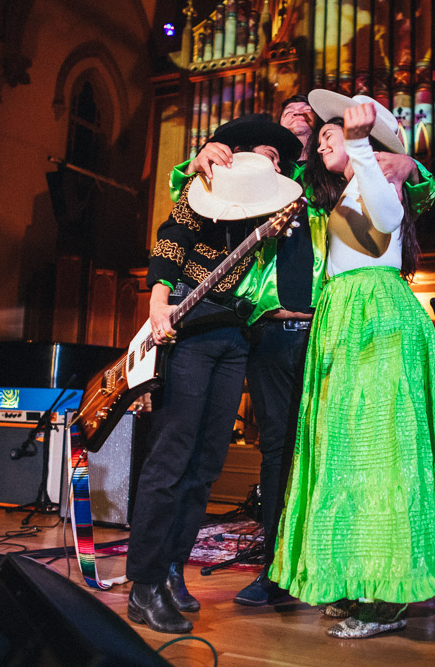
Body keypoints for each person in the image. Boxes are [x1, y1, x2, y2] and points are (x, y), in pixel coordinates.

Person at [168, 97, 435, 608]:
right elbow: (196, 189)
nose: (304, 127)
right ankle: (278, 571)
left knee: (337, 454)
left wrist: (411, 162)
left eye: (313, 125)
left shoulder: (353, 180)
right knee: (279, 455)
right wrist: (200, 154)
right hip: (274, 332)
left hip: (335, 330)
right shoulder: (277, 182)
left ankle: (348, 569)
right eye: (293, 120)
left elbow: (411, 194)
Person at [268, 91, 435, 639]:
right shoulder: (337, 192)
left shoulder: (379, 177)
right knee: (346, 454)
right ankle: (360, 579)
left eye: (332, 133)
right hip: (340, 317)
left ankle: (387, 596)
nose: (324, 137)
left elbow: (391, 214)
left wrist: (366, 144)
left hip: (374, 314)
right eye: (322, 134)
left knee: (382, 452)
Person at [125, 148, 302, 635]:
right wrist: (158, 302)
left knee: (205, 465)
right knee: (171, 455)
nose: (269, 161)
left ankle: (169, 571)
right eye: (259, 152)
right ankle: (142, 585)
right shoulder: (198, 190)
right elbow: (170, 240)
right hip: (189, 331)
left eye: (276, 158)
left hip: (236, 339)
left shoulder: (273, 212)